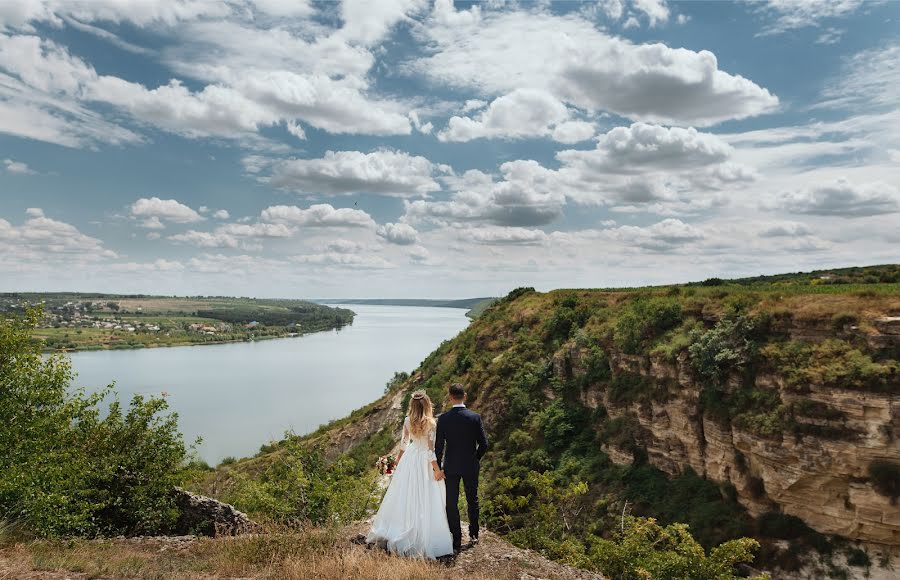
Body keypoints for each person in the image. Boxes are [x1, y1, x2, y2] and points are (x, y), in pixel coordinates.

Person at [366, 390, 454, 559]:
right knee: (426, 494)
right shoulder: (431, 423)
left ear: (412, 406)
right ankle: (423, 529)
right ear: (427, 405)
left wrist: (398, 461)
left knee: (406, 493)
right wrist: (437, 470)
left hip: (410, 457)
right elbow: (430, 451)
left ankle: (404, 523)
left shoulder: (407, 421)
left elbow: (404, 444)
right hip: (423, 461)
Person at [434, 382, 489, 553]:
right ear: (464, 396)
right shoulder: (474, 417)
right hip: (470, 465)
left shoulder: (443, 419)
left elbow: (438, 447)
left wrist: (439, 467)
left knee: (451, 503)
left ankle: (456, 538)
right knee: (473, 500)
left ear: (450, 397)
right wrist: (475, 459)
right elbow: (484, 444)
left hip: (450, 466)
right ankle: (473, 534)